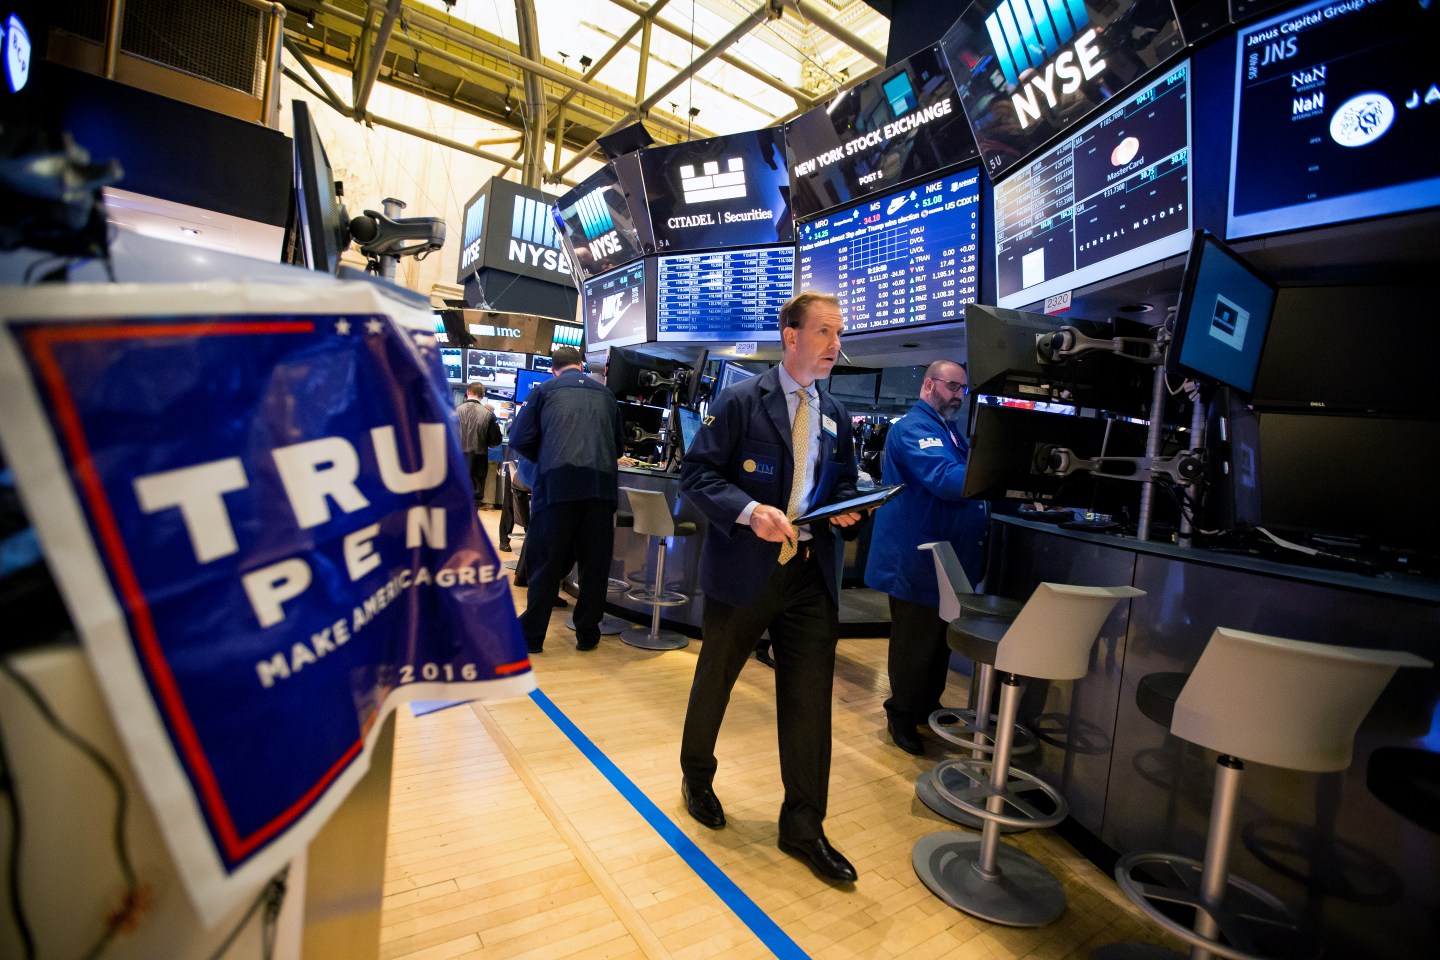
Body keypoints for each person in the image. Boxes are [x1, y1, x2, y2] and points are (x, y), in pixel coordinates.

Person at [678, 291, 866, 884]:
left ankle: (804, 827)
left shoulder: (833, 411)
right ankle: (697, 776)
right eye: (826, 332)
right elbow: (697, 475)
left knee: (810, 701)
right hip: (747, 568)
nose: (836, 345)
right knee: (717, 679)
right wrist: (749, 509)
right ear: (792, 336)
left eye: (840, 334)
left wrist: (848, 509)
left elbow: (837, 484)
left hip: (809, 572)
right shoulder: (740, 401)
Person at [863, 360, 988, 756]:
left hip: (944, 560)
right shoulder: (913, 428)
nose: (957, 395)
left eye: (962, 389)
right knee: (914, 645)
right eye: (951, 386)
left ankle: (926, 707)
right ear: (928, 385)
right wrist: (995, 476)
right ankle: (900, 714)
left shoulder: (949, 432)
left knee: (938, 643)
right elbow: (946, 479)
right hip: (917, 557)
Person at [507, 348, 624, 654]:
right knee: (594, 566)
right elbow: (618, 445)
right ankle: (587, 636)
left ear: (553, 369)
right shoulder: (606, 395)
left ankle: (532, 637)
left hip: (557, 488)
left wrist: (548, 459)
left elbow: (520, 439)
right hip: (599, 489)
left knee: (546, 562)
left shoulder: (544, 391)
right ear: (582, 366)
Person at [455, 382, 501, 511]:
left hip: (456, 462)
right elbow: (495, 441)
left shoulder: (454, 411)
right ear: (482, 395)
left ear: (468, 393)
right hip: (478, 463)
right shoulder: (488, 415)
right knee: (474, 502)